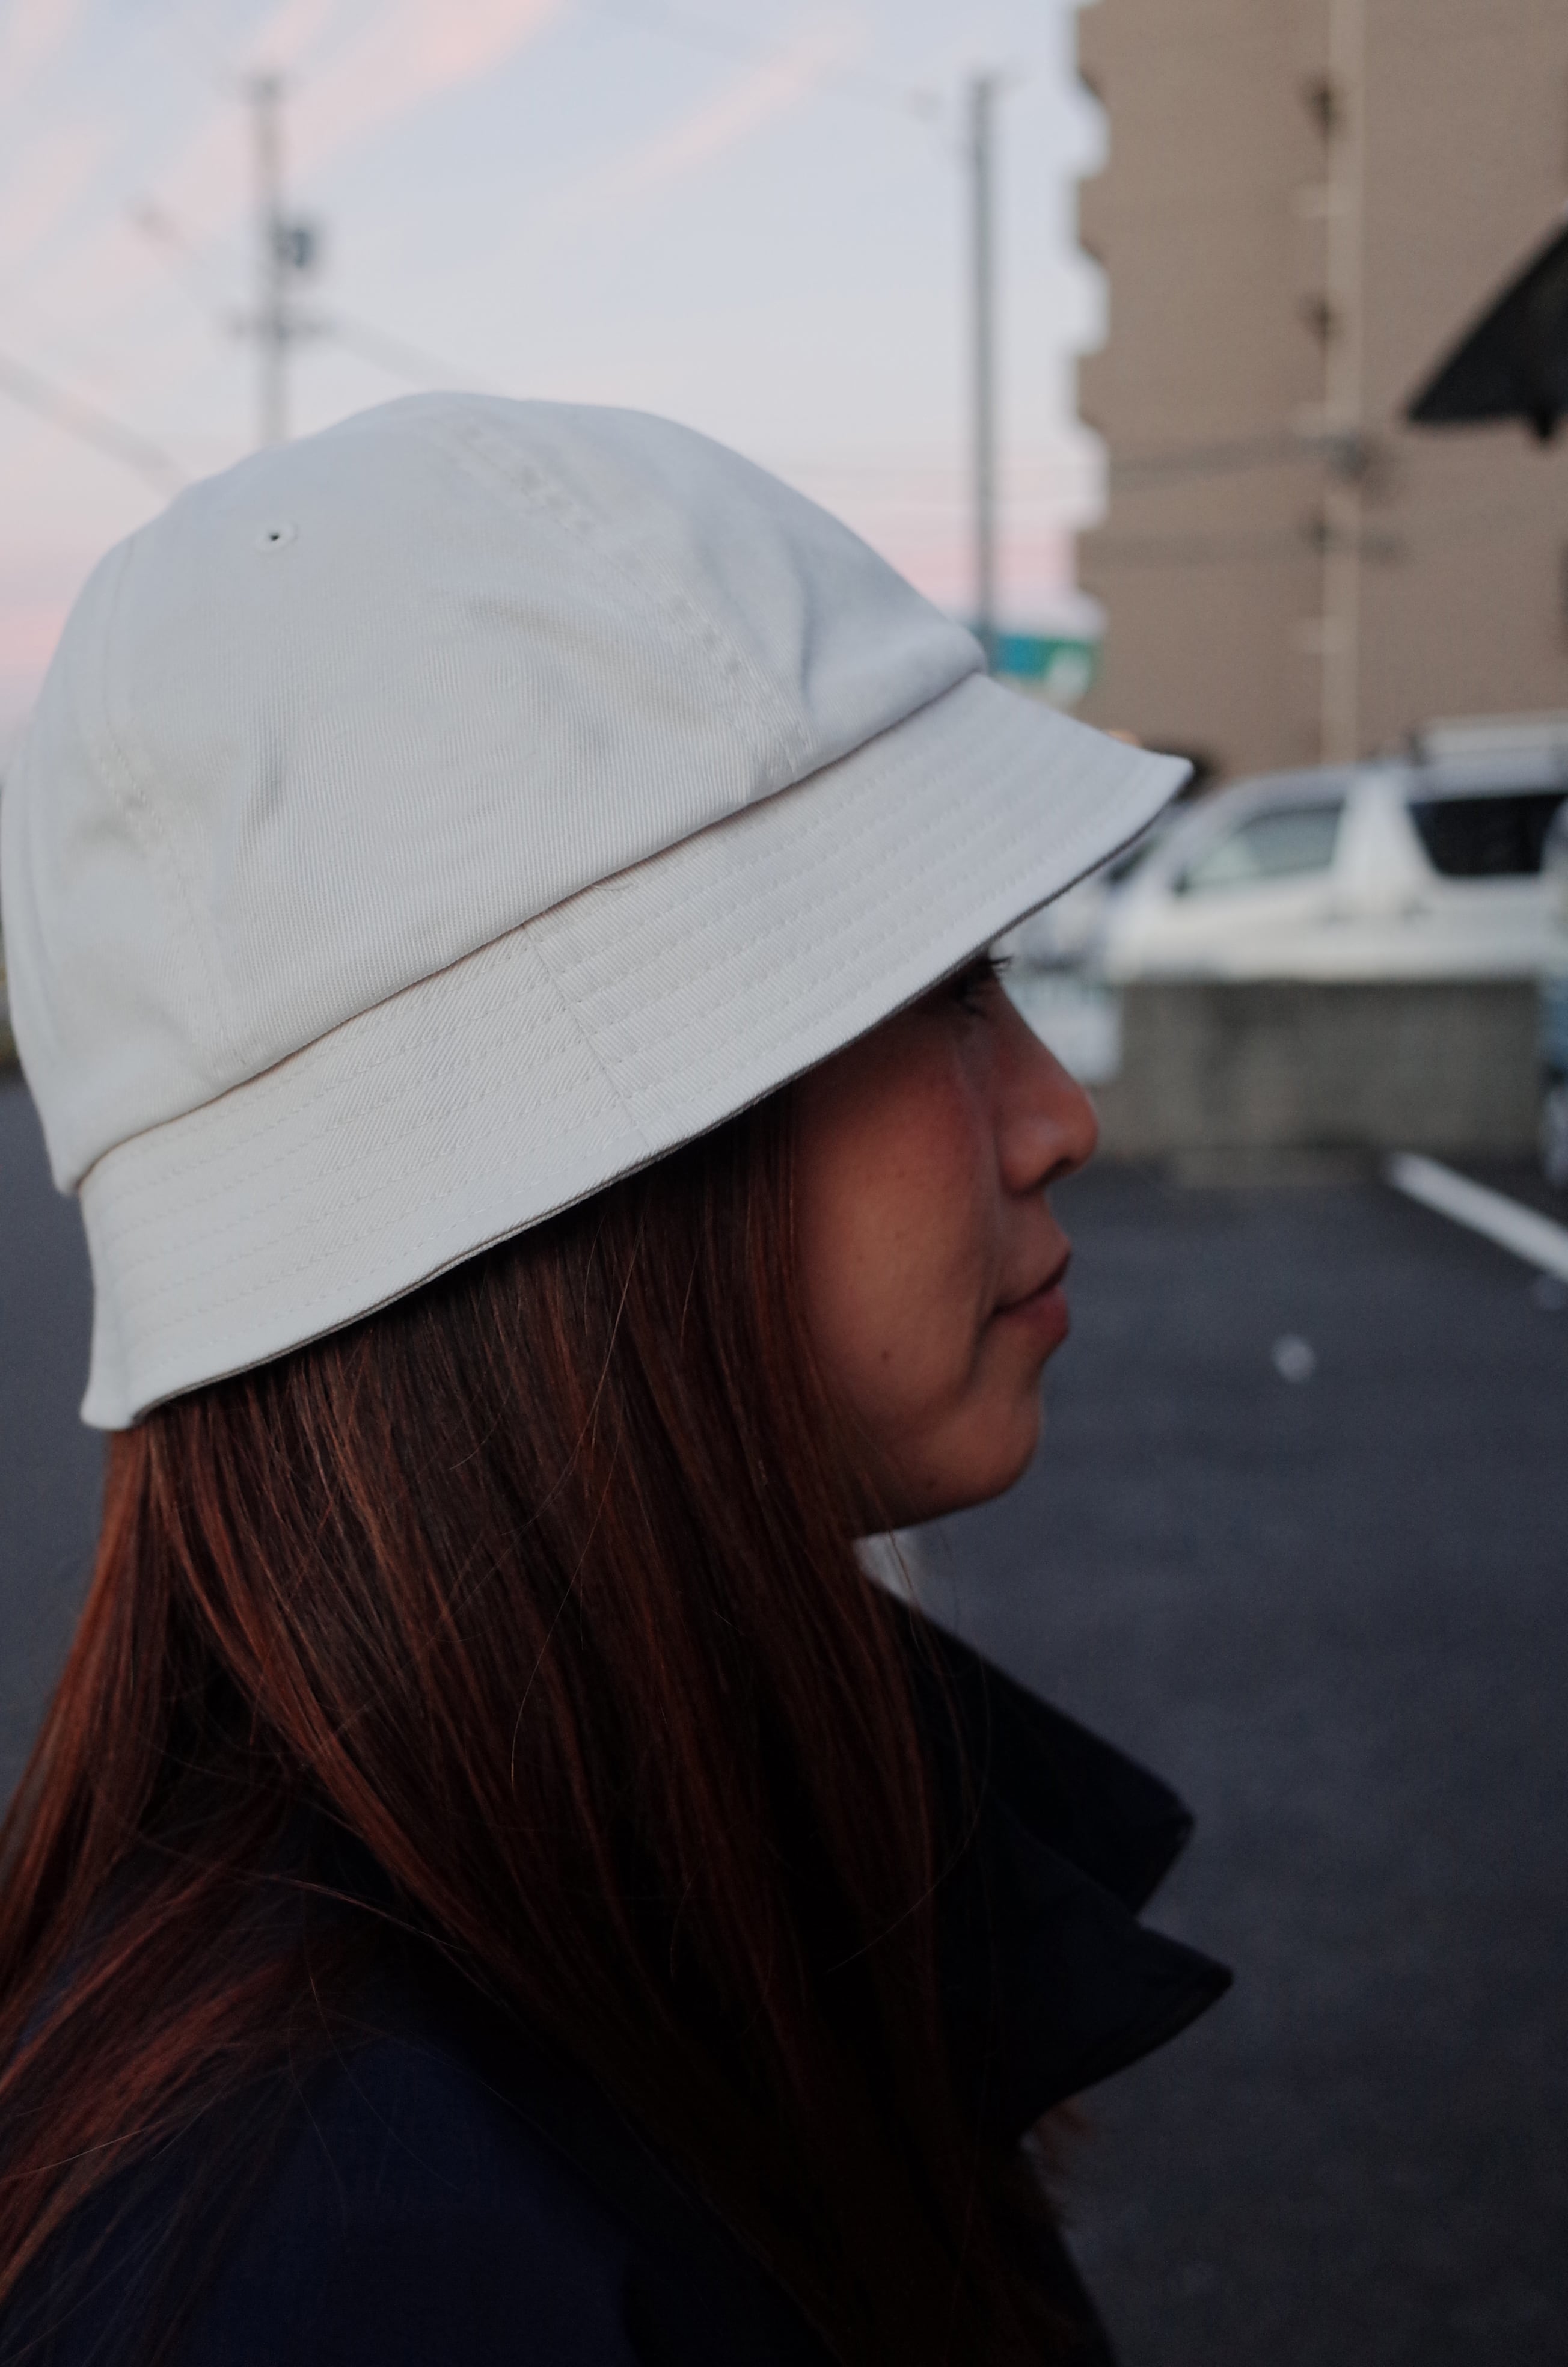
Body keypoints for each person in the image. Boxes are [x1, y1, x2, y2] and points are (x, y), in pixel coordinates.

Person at [0, 396, 1228, 2366]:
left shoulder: (650, 1861)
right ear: (598, 1180)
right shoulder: (339, 2267)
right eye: (943, 991)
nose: (1059, 1116)